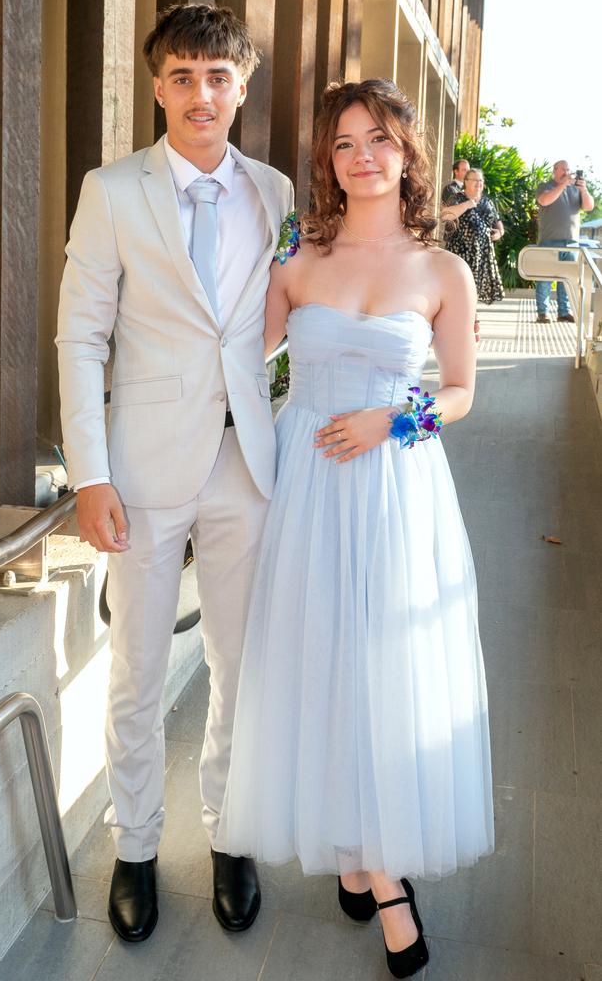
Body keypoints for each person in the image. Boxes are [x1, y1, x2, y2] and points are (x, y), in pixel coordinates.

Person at [214, 79, 495, 980]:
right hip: (308, 488)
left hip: (398, 488)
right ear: (327, 163)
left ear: (408, 153)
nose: (362, 155)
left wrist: (394, 419)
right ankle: (373, 866)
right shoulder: (300, 262)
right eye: (343, 143)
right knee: (323, 659)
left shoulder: (441, 269)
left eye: (379, 139)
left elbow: (460, 392)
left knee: (385, 666)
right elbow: (238, 362)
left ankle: (376, 860)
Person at [56, 3, 293, 943]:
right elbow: (82, 336)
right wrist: (89, 472)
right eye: (183, 77)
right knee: (138, 668)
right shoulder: (111, 190)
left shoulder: (276, 192)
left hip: (249, 462)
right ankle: (136, 846)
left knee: (239, 665)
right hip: (143, 468)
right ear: (158, 86)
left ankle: (230, 836)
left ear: (244, 84)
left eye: (219, 77)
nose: (202, 94)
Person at [534, 159, 594, 323]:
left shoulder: (576, 189)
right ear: (555, 170)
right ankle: (542, 313)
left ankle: (563, 312)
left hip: (571, 243)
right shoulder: (545, 186)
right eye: (563, 169)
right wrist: (562, 185)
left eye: (569, 170)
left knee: (567, 280)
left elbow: (589, 207)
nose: (567, 173)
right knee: (545, 279)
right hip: (549, 242)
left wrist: (583, 190)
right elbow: (544, 201)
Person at [441, 168, 505, 305]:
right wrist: (467, 205)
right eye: (475, 180)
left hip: (482, 252)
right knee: (459, 287)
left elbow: (498, 223)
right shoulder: (457, 197)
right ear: (466, 182)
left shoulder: (487, 201)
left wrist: (499, 233)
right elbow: (445, 215)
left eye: (481, 180)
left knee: (475, 288)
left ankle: (472, 316)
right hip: (461, 251)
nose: (479, 183)